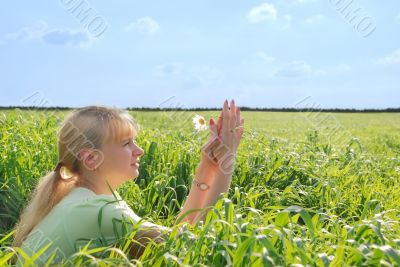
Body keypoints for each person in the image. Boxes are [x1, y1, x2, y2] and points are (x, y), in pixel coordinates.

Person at [12, 99, 244, 264]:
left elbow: (178, 236)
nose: (139, 150)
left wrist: (208, 168)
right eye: (126, 144)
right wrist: (227, 163)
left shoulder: (84, 196)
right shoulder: (96, 210)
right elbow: (189, 247)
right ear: (91, 158)